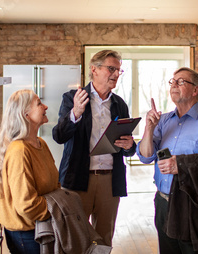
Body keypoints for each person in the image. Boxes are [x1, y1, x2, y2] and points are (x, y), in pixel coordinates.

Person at [137, 67, 198, 254]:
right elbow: (146, 157)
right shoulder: (162, 121)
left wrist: (181, 166)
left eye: (181, 81)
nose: (174, 85)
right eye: (172, 81)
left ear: (195, 90)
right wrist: (149, 128)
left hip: (192, 205)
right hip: (163, 202)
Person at [52, 49, 136, 246]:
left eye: (119, 70)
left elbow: (128, 148)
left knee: (105, 238)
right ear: (94, 69)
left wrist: (130, 145)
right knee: (74, 238)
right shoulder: (73, 98)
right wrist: (75, 113)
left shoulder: (119, 105)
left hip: (110, 181)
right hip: (78, 179)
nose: (116, 74)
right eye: (111, 68)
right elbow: (59, 136)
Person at [0, 89, 60, 254]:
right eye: (39, 103)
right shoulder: (19, 150)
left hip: (41, 227)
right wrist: (58, 208)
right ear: (26, 115)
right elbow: (27, 206)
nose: (46, 106)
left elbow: (54, 183)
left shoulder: (40, 143)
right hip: (26, 234)